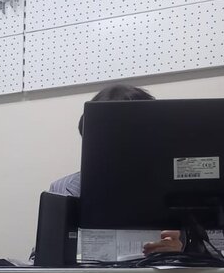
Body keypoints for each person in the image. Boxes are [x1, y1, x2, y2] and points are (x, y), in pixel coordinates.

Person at [50, 84, 182, 255]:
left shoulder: (176, 190)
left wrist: (182, 253)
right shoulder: (62, 189)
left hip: (154, 272)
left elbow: (210, 255)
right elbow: (40, 256)